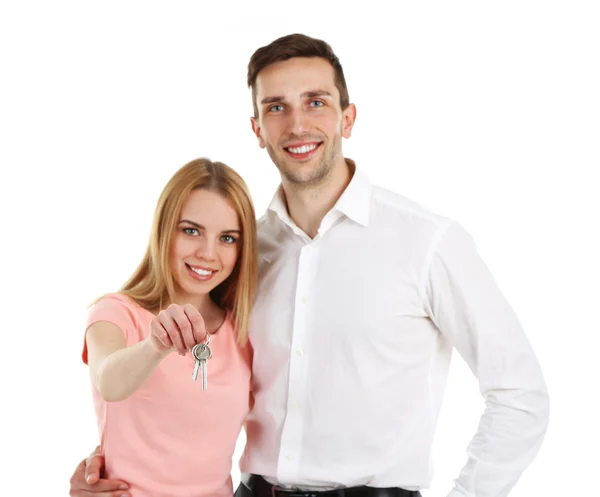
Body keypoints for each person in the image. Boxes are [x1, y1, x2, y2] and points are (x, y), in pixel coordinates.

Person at [70, 34, 549, 497]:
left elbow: (520, 395)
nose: (297, 124)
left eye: (315, 102)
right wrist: (114, 461)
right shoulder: (243, 256)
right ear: (257, 129)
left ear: (348, 117)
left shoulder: (427, 241)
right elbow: (183, 395)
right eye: (276, 107)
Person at [78, 158, 257, 497]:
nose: (208, 253)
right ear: (165, 229)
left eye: (228, 238)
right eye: (191, 231)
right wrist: (155, 345)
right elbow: (109, 382)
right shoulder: (116, 314)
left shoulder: (242, 331)